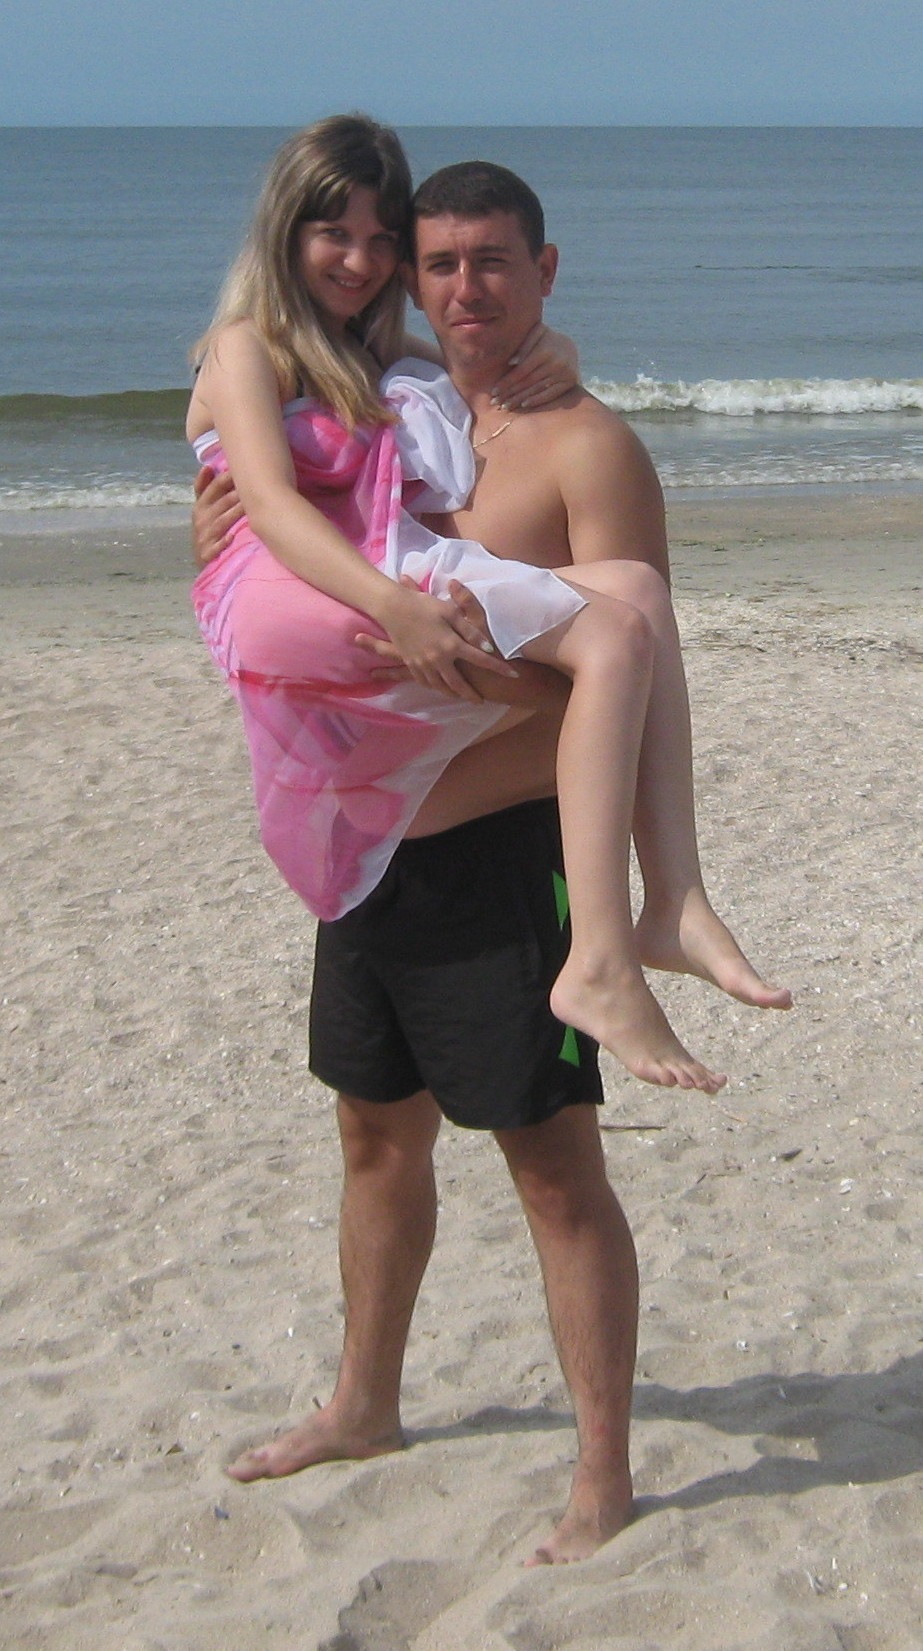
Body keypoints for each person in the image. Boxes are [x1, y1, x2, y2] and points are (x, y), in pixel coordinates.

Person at [192, 140, 792, 1562]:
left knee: (552, 1167)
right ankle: (364, 1403)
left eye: (496, 265)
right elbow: (276, 542)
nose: (467, 289)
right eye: (440, 263)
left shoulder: (583, 442)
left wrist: (471, 678)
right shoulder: (381, 400)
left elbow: (632, 668)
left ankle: (603, 1472)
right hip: (370, 847)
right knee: (372, 1135)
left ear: (545, 272)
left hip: (509, 860)